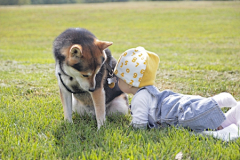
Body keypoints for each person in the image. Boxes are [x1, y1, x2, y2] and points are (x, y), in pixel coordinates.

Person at [113, 46, 240, 131]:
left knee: (198, 119)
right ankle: (228, 110)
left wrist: (129, 129)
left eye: (119, 78)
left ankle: (220, 106)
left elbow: (139, 124)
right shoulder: (147, 92)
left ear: (130, 83)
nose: (117, 81)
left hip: (175, 113)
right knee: (198, 109)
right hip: (176, 104)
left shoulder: (139, 97)